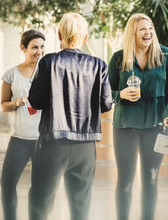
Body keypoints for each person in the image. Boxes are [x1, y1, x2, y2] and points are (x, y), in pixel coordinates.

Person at [28, 12, 113, 220]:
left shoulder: (48, 62)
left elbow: (35, 101)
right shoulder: (99, 65)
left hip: (53, 144)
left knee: (40, 202)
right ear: (85, 38)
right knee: (80, 205)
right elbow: (106, 104)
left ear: (59, 35)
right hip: (86, 146)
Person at [108, 13, 168, 220]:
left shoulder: (166, 56)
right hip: (124, 127)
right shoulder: (118, 58)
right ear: (132, 32)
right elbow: (104, 94)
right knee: (125, 179)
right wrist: (120, 94)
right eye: (142, 28)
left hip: (157, 126)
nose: (148, 32)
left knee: (151, 178)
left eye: (150, 28)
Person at [0, 29, 45, 220]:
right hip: (19, 139)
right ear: (23, 48)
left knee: (39, 187)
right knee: (7, 184)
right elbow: (3, 106)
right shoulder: (11, 74)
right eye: (34, 47)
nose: (39, 51)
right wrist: (15, 103)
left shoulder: (48, 73)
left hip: (42, 140)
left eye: (42, 47)